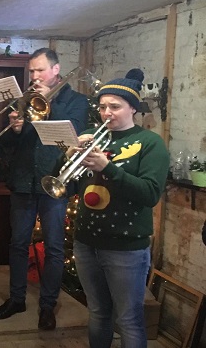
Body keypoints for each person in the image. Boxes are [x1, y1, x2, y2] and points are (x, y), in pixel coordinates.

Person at [0, 48, 88, 330]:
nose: (34, 76)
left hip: (54, 180)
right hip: (23, 180)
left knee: (55, 248)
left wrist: (46, 103)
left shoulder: (76, 100)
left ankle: (47, 306)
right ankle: (16, 299)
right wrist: (15, 129)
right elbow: (5, 145)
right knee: (18, 243)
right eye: (31, 71)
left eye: (40, 70)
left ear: (56, 70)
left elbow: (73, 134)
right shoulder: (21, 101)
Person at [70, 69, 169, 347]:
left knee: (128, 319)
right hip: (86, 242)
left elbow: (149, 194)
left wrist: (108, 168)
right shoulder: (92, 136)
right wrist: (65, 157)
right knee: (98, 313)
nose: (106, 113)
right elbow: (65, 187)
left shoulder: (150, 144)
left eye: (115, 106)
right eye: (102, 107)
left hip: (126, 246)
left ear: (133, 109)